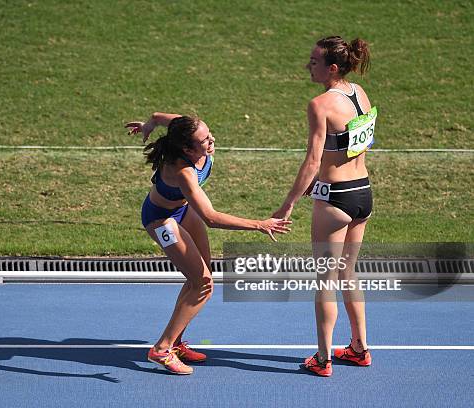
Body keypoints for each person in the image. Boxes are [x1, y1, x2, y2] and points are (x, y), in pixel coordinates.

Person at [126, 113, 292, 375]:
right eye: (205, 139)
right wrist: (260, 224)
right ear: (187, 148)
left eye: (209, 132)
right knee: (203, 285)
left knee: (200, 276)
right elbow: (212, 218)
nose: (211, 139)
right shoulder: (183, 172)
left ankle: (176, 341)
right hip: (161, 220)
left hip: (183, 209)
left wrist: (149, 124)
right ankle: (161, 349)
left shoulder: (185, 129)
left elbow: (160, 117)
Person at [272, 36, 375, 377]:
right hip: (362, 193)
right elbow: (361, 143)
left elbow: (313, 160)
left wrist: (286, 205)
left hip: (335, 199)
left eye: (314, 61)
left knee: (326, 281)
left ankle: (323, 358)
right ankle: (359, 348)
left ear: (332, 67)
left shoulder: (320, 105)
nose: (308, 66)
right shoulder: (359, 93)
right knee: (349, 273)